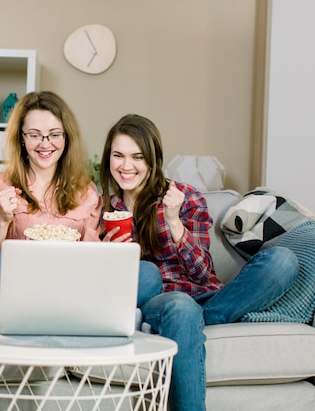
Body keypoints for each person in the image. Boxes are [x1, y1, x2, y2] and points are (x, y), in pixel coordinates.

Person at [99, 113, 299, 411]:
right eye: (118, 155)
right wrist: (107, 252)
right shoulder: (105, 207)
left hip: (206, 295)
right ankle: (190, 319)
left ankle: (201, 319)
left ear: (152, 160)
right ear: (108, 158)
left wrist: (173, 221)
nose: (126, 166)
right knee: (175, 300)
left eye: (137, 157)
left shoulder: (185, 197)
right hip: (161, 301)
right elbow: (114, 287)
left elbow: (203, 272)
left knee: (283, 261)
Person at [0, 91, 163, 325]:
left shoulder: (85, 192)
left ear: (66, 137)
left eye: (54, 134)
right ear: (21, 137)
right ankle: (66, 316)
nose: (45, 144)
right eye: (35, 135)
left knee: (148, 274)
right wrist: (4, 220)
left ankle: (41, 315)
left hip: (74, 285)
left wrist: (106, 252)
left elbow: (92, 263)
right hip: (21, 285)